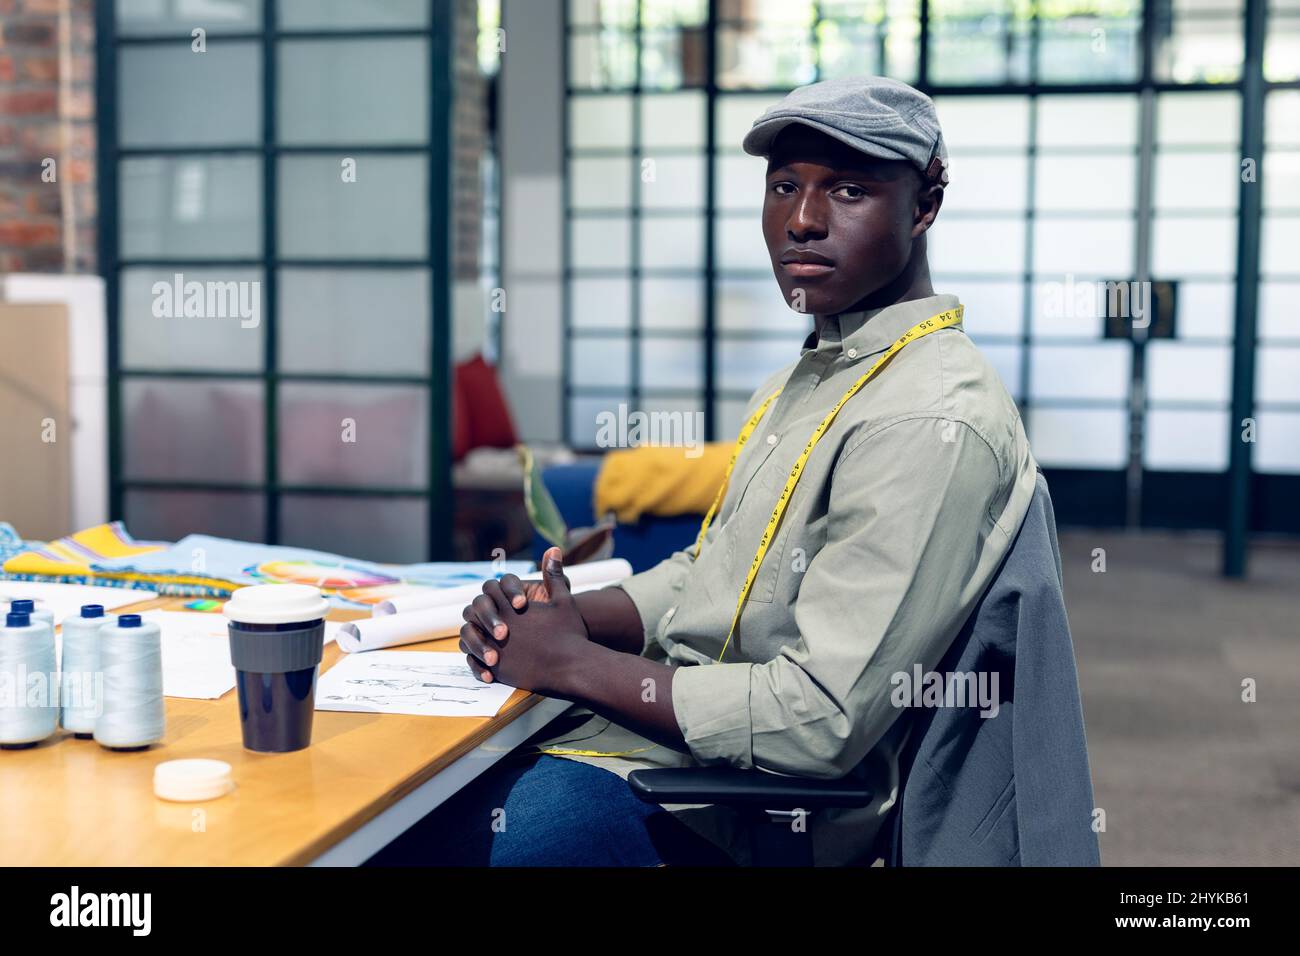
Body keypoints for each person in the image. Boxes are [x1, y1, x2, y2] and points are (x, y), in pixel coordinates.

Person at [368, 75, 1038, 867]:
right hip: (665, 755)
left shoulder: (927, 419)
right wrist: (568, 614)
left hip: (745, 814)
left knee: (405, 836)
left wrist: (574, 665)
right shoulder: (822, 374)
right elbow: (710, 574)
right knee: (402, 785)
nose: (803, 220)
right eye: (784, 186)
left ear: (923, 206)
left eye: (849, 190)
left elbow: (817, 717)